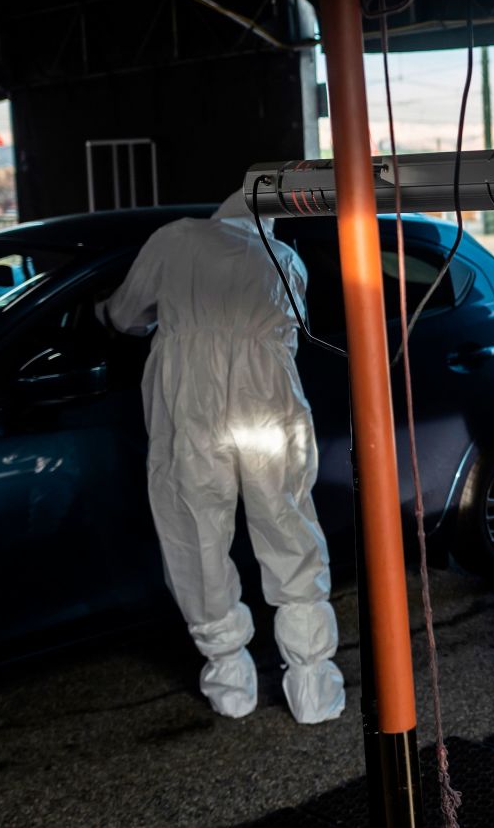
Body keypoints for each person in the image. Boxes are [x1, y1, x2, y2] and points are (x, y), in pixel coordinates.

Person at [101, 191, 344, 724]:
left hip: (192, 403)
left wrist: (113, 315)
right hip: (270, 403)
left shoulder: (176, 239)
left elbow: (125, 313)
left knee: (195, 534)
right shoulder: (286, 261)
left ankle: (231, 680)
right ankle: (312, 687)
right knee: (289, 528)